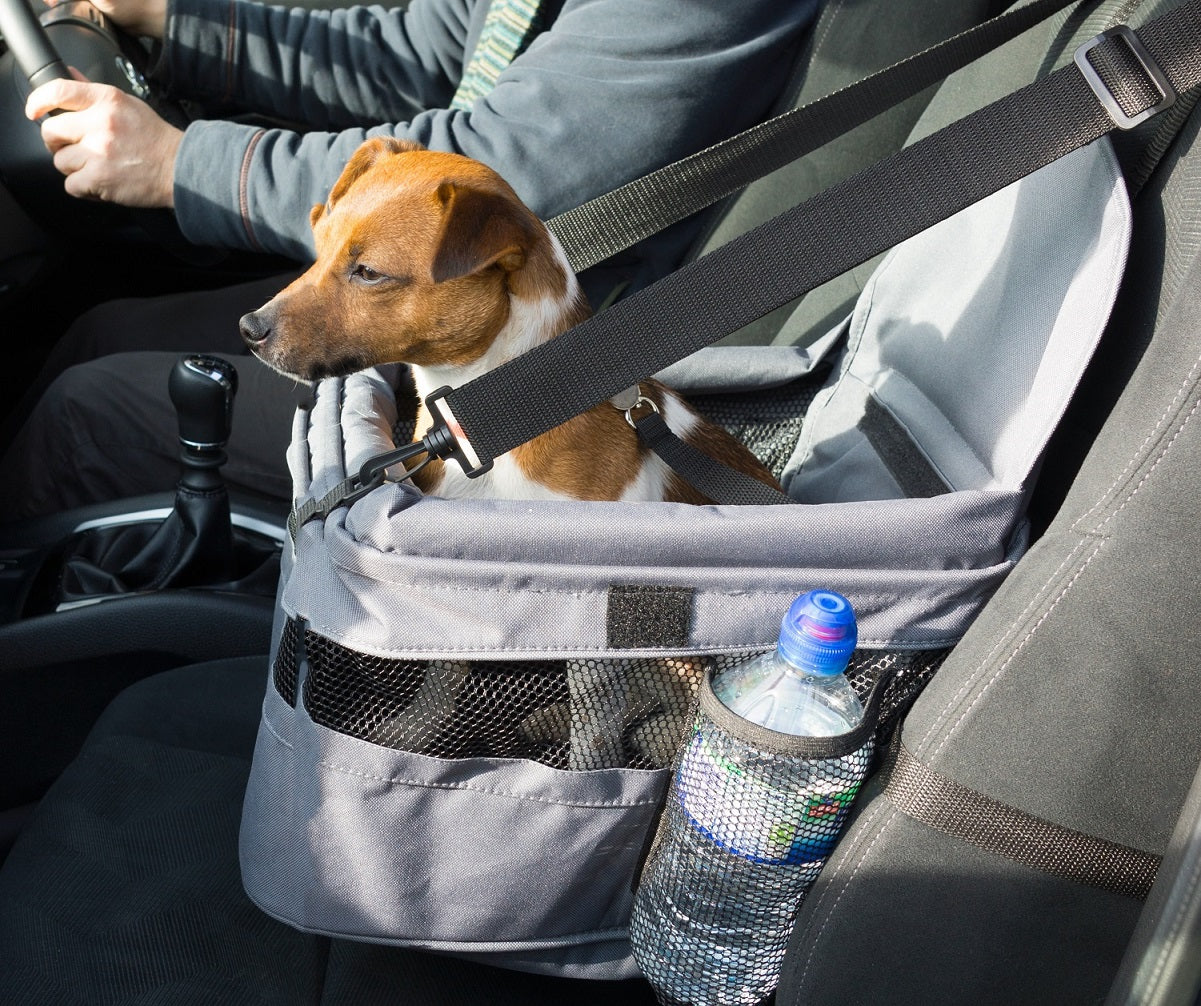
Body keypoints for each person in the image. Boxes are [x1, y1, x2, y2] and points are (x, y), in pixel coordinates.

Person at [0, 0, 817, 519]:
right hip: (425, 326)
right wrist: (170, 18)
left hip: (516, 338)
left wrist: (181, 165)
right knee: (99, 330)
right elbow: (415, 50)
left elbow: (495, 170)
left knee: (87, 411)